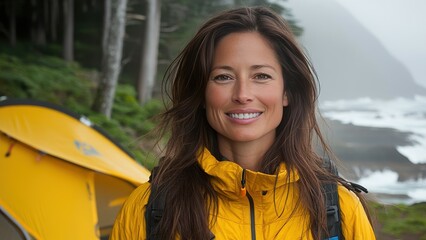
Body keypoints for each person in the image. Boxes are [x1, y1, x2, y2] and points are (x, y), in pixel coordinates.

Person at [110, 6, 375, 240]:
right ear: (201, 93)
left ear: (287, 92)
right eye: (223, 77)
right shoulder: (150, 208)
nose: (242, 94)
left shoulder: (339, 208)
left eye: (261, 75)